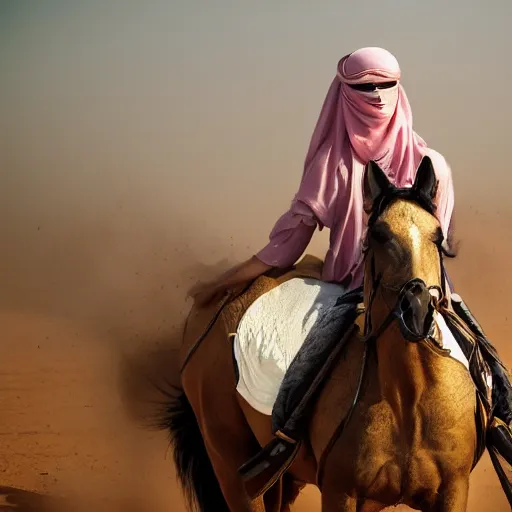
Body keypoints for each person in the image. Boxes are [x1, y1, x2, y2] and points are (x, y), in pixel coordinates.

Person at [188, 47, 512, 480]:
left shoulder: (433, 166)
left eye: (385, 85)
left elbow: (436, 239)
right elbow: (286, 246)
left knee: (487, 360)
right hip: (353, 293)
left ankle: (499, 424)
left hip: (430, 293)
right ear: (344, 94)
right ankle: (284, 441)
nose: (376, 96)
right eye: (364, 87)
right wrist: (225, 281)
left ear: (400, 90)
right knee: (308, 363)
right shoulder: (332, 167)